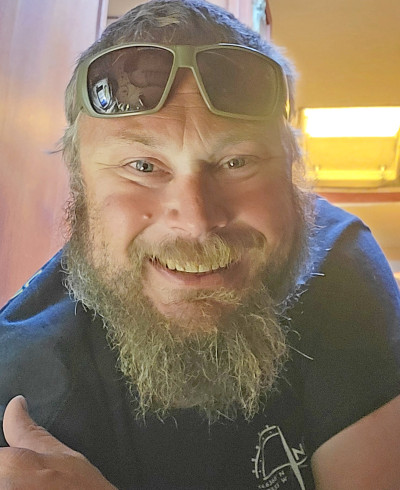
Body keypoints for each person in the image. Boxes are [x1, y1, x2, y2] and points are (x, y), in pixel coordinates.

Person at [0, 0, 399, 488]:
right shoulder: (24, 381)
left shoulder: (339, 266)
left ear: (290, 174)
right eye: (143, 167)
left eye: (236, 162)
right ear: (81, 189)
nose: (196, 222)